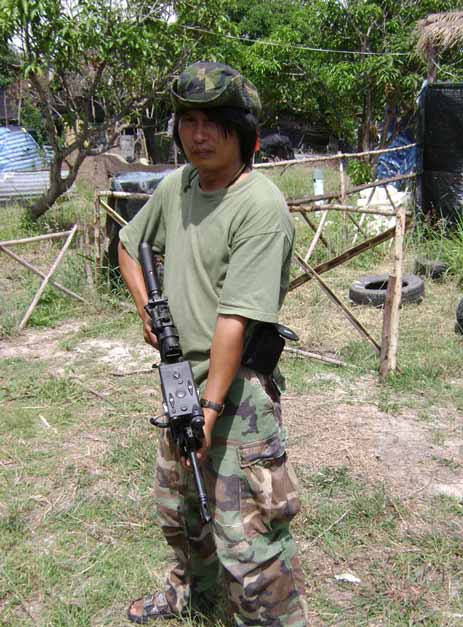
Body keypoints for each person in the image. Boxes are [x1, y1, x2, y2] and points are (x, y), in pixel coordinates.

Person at [118, 61, 308, 626]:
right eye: (188, 121)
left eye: (213, 123)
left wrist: (208, 409)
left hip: (238, 394)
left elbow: (234, 320)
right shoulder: (178, 186)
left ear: (242, 132)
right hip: (181, 378)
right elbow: (129, 244)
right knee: (180, 511)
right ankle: (193, 597)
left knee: (249, 540)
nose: (198, 135)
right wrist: (148, 311)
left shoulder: (259, 206)